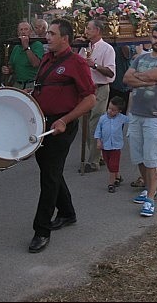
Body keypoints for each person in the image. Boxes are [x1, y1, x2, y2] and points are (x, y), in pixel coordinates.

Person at [27, 19, 96, 252]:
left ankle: (41, 230)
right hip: (43, 125)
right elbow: (45, 89)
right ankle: (67, 213)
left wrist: (65, 120)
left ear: (65, 38)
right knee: (50, 171)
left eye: (52, 33)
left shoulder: (76, 63)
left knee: (49, 176)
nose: (47, 37)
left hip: (61, 126)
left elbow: (90, 99)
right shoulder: (47, 58)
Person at [123, 23, 157, 217]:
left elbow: (155, 74)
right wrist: (146, 80)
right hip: (136, 113)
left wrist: (139, 78)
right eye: (154, 37)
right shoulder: (141, 57)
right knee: (139, 156)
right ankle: (147, 188)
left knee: (153, 158)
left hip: (156, 116)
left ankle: (151, 199)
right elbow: (126, 79)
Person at [77, 19, 116, 172]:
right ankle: (97, 155)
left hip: (100, 88)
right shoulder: (83, 47)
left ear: (98, 31)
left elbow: (111, 73)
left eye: (89, 28)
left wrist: (94, 65)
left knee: (95, 122)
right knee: (84, 124)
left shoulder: (107, 49)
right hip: (85, 90)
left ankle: (92, 162)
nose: (86, 31)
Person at [95, 96, 129, 193]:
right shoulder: (103, 118)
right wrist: (98, 141)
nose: (110, 111)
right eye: (109, 108)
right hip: (105, 145)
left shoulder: (121, 118)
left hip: (116, 146)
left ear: (119, 111)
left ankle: (111, 183)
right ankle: (117, 176)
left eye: (113, 110)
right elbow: (98, 130)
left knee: (113, 164)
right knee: (108, 163)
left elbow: (131, 120)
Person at [2, 21, 44, 89]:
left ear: (30, 32)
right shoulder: (16, 47)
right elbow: (12, 66)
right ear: (18, 33)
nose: (23, 32)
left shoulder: (37, 45)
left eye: (26, 29)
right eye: (21, 30)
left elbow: (36, 64)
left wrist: (26, 47)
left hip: (31, 85)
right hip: (18, 85)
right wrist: (8, 70)